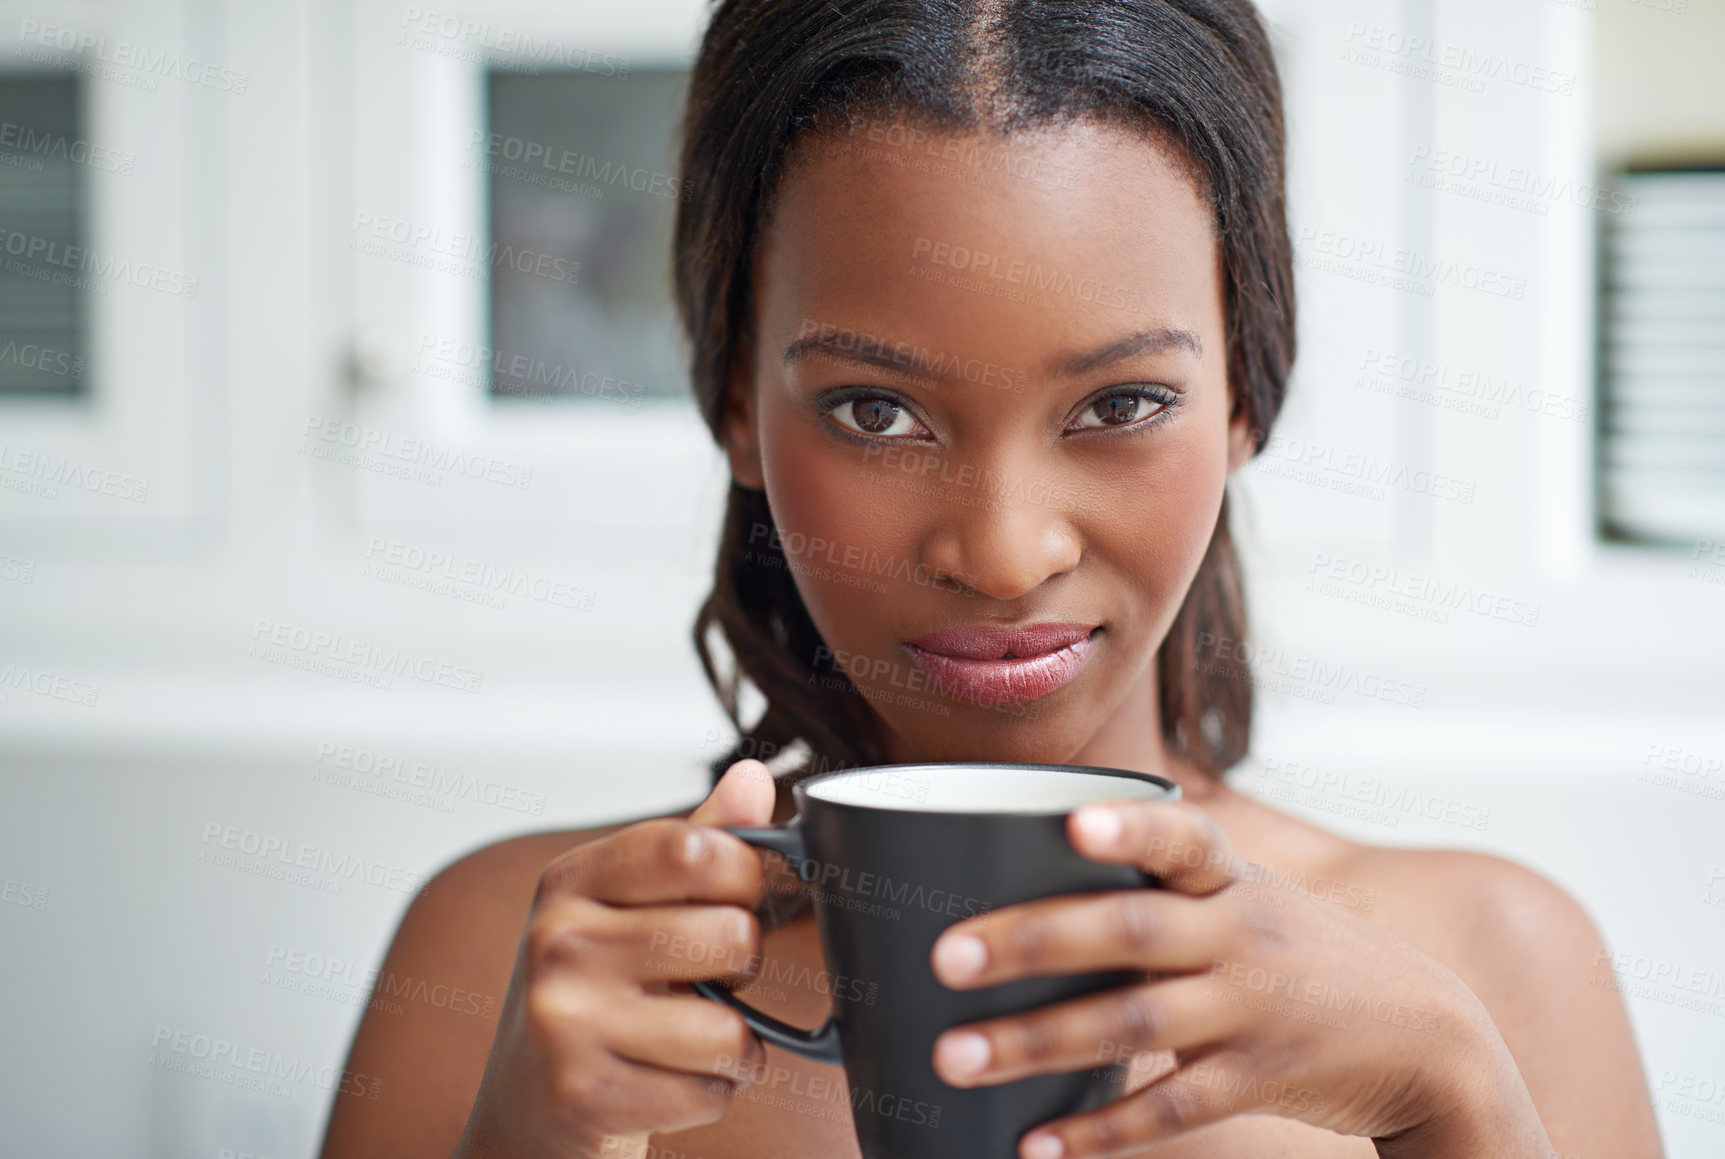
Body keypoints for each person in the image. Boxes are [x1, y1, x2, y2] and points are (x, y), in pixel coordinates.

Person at [319, 1, 1664, 1156]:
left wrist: (1452, 1104)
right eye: (872, 413)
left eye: (1122, 402)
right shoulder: (514, 962)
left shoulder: (1486, 965)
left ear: (1249, 389)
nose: (1005, 552)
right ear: (734, 400)